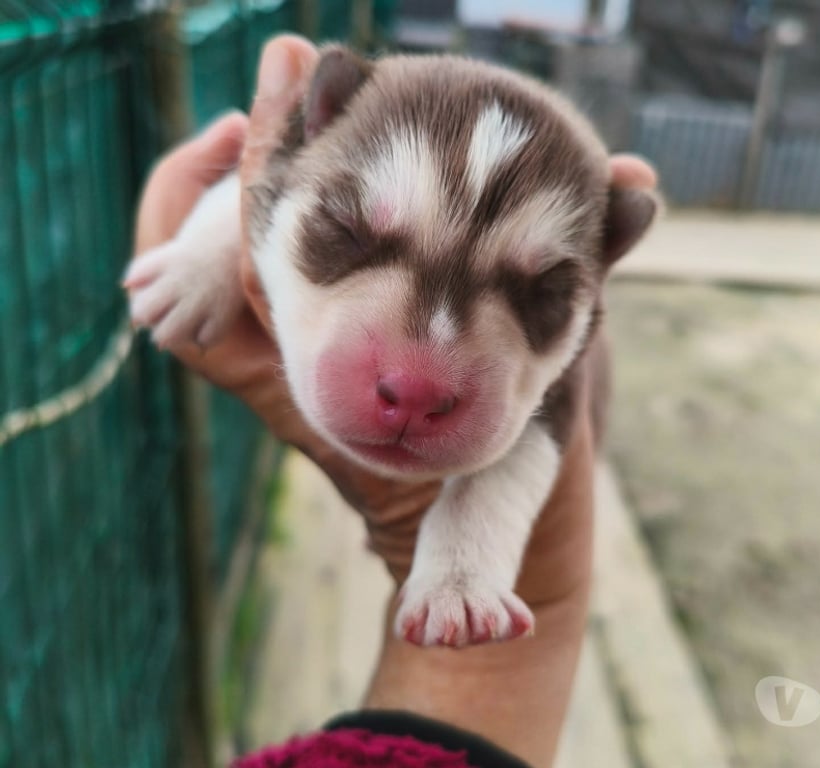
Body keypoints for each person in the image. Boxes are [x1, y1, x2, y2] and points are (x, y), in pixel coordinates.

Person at [133, 35, 657, 768]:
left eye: (540, 293)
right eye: (349, 235)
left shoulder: (573, 354)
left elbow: (546, 426)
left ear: (605, 270)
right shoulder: (291, 168)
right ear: (315, 118)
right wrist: (208, 249)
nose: (420, 379)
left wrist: (472, 568)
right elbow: (255, 188)